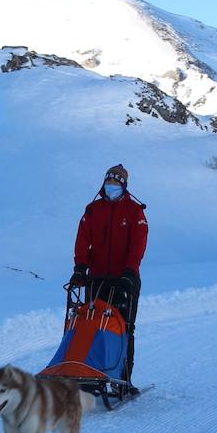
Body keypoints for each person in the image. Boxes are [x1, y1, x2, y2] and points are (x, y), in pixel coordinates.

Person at [70, 164, 148, 382]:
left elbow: (138, 244)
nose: (111, 186)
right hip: (97, 277)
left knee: (124, 328)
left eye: (116, 183)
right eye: (108, 182)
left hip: (125, 279)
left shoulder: (135, 211)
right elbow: (83, 240)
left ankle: (123, 378)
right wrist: (80, 266)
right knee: (91, 324)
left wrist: (131, 270)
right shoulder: (93, 210)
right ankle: (88, 372)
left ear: (123, 185)